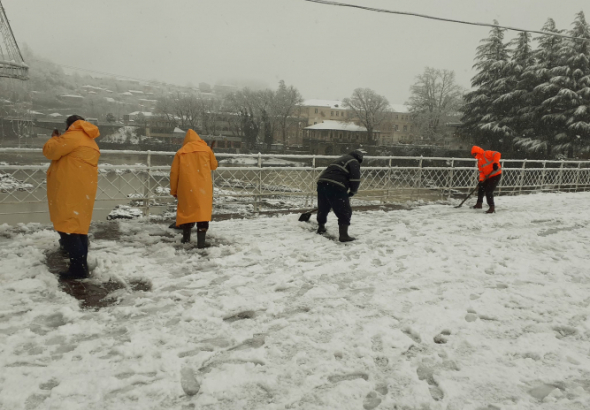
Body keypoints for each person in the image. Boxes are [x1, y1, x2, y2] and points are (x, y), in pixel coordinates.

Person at [43, 115, 100, 279]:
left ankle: (78, 269)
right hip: (83, 190)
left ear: (69, 125)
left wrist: (54, 138)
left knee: (68, 229)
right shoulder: (90, 140)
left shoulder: (73, 137)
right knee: (78, 228)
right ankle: (81, 265)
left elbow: (50, 151)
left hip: (68, 189)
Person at [170, 130, 218, 247]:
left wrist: (174, 190)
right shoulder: (206, 150)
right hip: (203, 188)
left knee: (187, 212)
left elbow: (174, 173)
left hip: (186, 187)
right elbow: (214, 166)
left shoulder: (180, 152)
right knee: (202, 214)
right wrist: (210, 153)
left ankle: (186, 239)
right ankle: (201, 242)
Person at [316, 148, 366, 242]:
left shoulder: (340, 159)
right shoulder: (353, 161)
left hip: (322, 183)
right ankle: (344, 235)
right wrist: (353, 191)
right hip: (336, 186)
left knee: (323, 207)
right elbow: (355, 178)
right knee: (345, 210)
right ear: (359, 158)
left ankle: (321, 227)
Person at [471, 145, 502, 213]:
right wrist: (481, 181)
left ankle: (492, 207)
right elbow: (481, 172)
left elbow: (497, 154)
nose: (474, 156)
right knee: (481, 188)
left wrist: (495, 163)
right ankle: (479, 204)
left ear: (477, 152)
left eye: (474, 154)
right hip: (487, 176)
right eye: (473, 155)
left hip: (496, 174)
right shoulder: (479, 162)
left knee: (489, 191)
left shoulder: (486, 153)